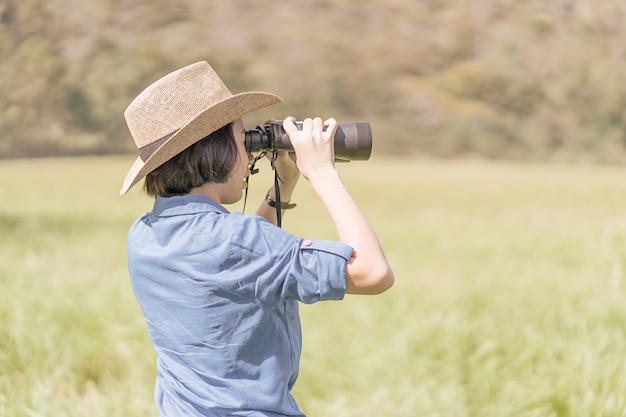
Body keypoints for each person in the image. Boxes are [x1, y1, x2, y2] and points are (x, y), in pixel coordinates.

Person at [120, 61, 394, 417]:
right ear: (214, 149)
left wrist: (284, 183)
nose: (250, 153)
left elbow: (235, 266)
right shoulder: (237, 241)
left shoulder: (143, 234)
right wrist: (322, 172)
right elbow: (373, 273)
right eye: (242, 138)